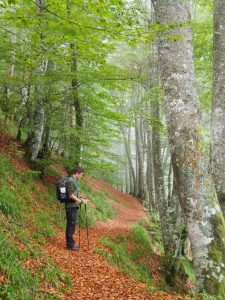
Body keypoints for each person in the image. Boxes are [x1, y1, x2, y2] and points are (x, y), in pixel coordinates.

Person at [65, 166, 88, 251]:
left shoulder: (73, 181)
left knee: (72, 225)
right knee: (71, 226)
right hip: (71, 207)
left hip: (73, 206)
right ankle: (70, 246)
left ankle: (70, 244)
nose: (81, 176)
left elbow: (74, 194)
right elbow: (70, 195)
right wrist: (81, 201)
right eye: (81, 175)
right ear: (77, 173)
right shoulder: (71, 181)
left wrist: (81, 199)